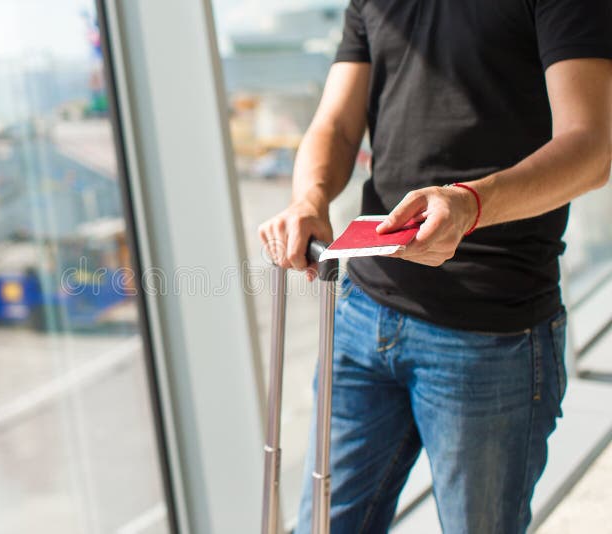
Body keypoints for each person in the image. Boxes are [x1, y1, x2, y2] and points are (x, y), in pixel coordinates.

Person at [258, 1, 612, 532]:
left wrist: (470, 204)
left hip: (491, 334)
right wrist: (310, 198)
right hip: (363, 315)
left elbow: (590, 149)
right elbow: (336, 123)